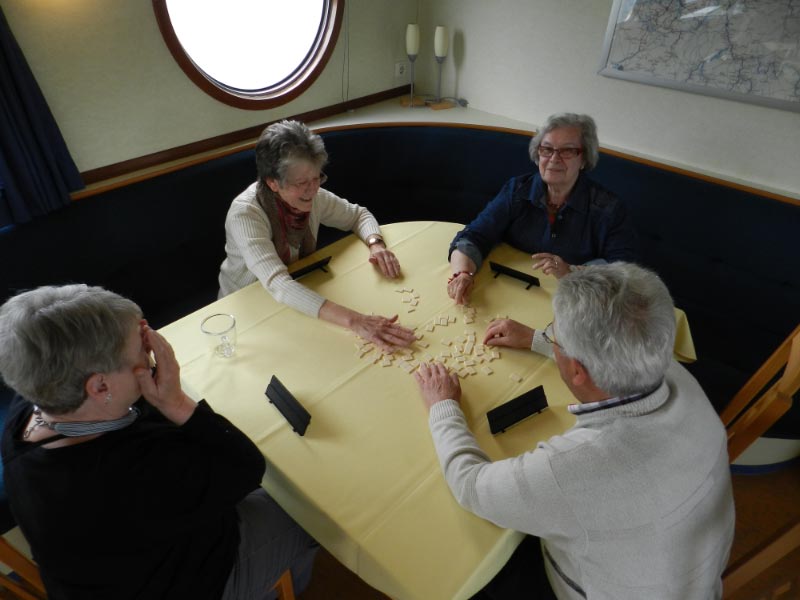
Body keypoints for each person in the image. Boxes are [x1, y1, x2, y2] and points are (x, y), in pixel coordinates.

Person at [415, 263, 734, 599]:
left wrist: (443, 406)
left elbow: (469, 485)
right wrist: (538, 340)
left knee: (481, 568)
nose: (551, 338)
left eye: (553, 334)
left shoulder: (569, 468)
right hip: (698, 581)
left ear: (578, 370)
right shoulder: (670, 369)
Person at [0, 284, 318, 600]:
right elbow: (245, 469)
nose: (150, 350)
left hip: (114, 569)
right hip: (180, 582)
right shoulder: (130, 475)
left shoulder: (31, 410)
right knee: (307, 506)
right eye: (142, 351)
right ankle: (283, 584)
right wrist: (176, 402)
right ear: (99, 386)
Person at [219, 120, 415, 351]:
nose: (313, 190)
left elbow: (358, 215)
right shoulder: (245, 213)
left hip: (298, 289)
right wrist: (356, 321)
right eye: (302, 182)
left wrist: (376, 245)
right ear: (273, 183)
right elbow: (278, 284)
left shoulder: (313, 195)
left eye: (316, 178)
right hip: (245, 308)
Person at [447, 113, 637, 305]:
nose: (554, 158)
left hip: (575, 303)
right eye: (547, 149)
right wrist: (463, 274)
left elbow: (624, 273)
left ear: (584, 159)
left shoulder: (609, 209)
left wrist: (572, 273)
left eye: (567, 151)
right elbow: (473, 236)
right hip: (509, 292)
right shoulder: (517, 190)